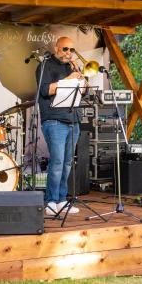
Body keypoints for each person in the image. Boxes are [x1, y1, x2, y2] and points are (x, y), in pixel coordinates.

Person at [36, 36, 85, 215]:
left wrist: (79, 75)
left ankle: (62, 200)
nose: (68, 53)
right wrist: (69, 79)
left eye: (71, 50)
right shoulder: (45, 65)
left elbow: (84, 91)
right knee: (56, 162)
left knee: (67, 163)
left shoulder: (71, 67)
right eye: (65, 49)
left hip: (73, 119)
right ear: (56, 48)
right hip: (54, 119)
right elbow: (45, 90)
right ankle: (51, 200)